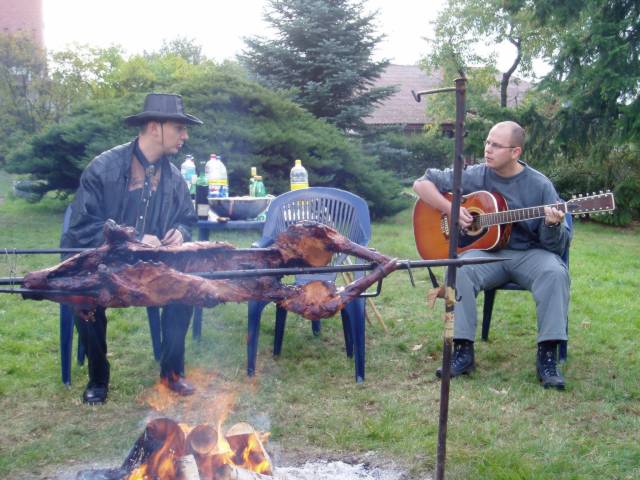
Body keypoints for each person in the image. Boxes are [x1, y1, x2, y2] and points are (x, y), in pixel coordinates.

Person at [61, 93, 201, 404]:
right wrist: (134, 238)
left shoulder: (175, 178)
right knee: (85, 295)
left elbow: (187, 219)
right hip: (102, 264)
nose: (185, 135)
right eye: (179, 128)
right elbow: (82, 228)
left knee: (185, 289)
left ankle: (171, 374)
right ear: (154, 127)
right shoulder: (103, 168)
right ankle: (98, 377)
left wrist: (179, 232)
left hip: (150, 267)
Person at [413, 121, 571, 390]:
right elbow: (421, 184)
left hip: (529, 254)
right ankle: (462, 351)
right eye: (488, 142)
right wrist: (451, 209)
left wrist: (552, 224)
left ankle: (547, 356)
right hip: (486, 253)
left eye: (496, 145)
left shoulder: (540, 185)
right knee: (458, 269)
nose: (487, 149)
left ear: (515, 152)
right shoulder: (476, 174)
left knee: (555, 273)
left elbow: (557, 246)